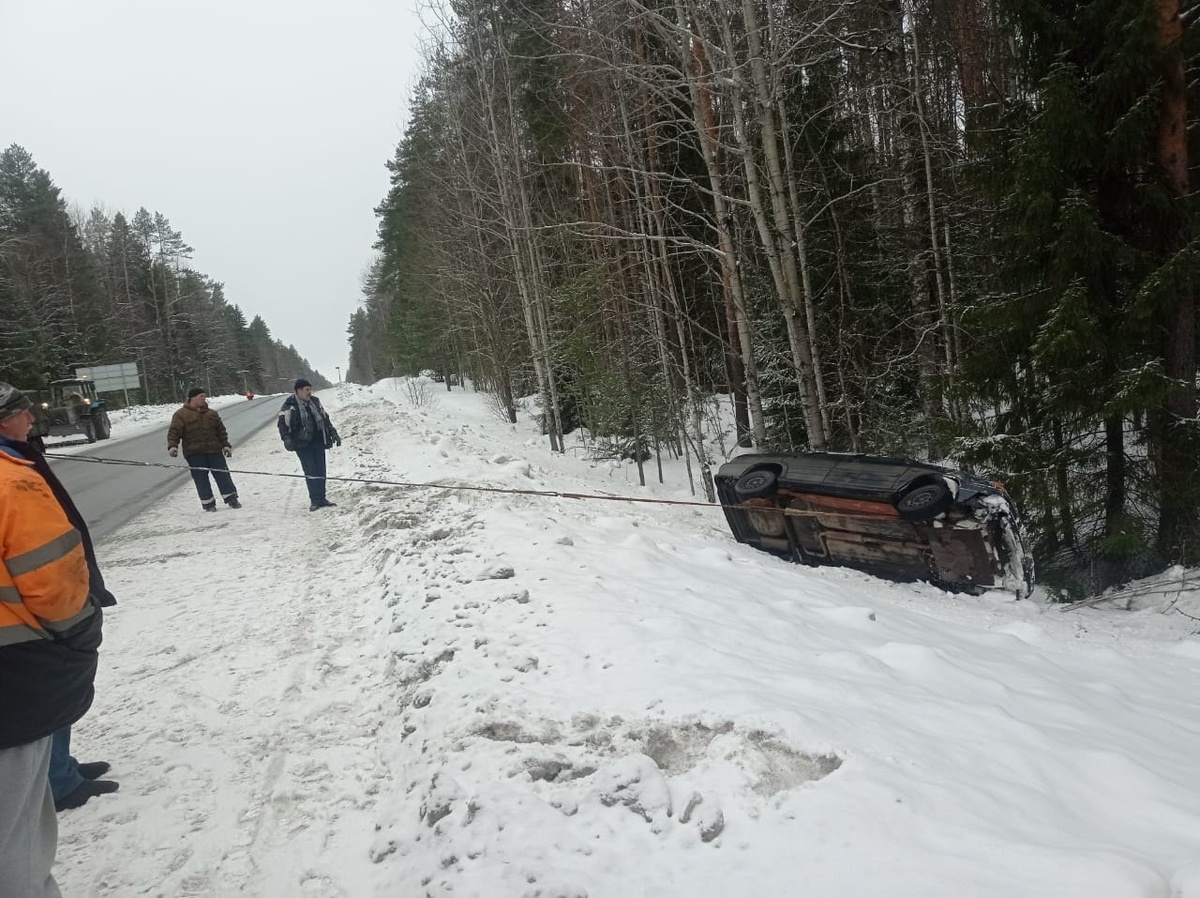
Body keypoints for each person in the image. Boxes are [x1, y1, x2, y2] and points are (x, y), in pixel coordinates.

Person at [0, 383, 117, 896]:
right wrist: (78, 633)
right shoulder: (12, 480)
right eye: (18, 412)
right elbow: (52, 578)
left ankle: (63, 771)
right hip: (19, 661)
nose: (30, 417)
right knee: (16, 843)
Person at [167, 388, 241, 512]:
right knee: (201, 479)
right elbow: (174, 432)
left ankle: (232, 499)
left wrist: (226, 445)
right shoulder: (181, 415)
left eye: (204, 396)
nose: (203, 398)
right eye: (201, 396)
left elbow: (221, 432)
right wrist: (173, 446)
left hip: (214, 451)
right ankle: (208, 504)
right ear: (192, 398)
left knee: (223, 474)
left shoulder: (212, 414)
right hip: (194, 453)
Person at [278, 378, 341, 511]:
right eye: (307, 390)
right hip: (302, 444)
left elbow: (325, 419)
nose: (309, 392)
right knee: (310, 471)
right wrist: (286, 438)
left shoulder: (315, 401)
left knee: (321, 470)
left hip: (318, 441)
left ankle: (322, 498)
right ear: (299, 391)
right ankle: (315, 499)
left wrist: (333, 433)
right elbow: (282, 424)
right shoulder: (290, 404)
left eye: (310, 389)